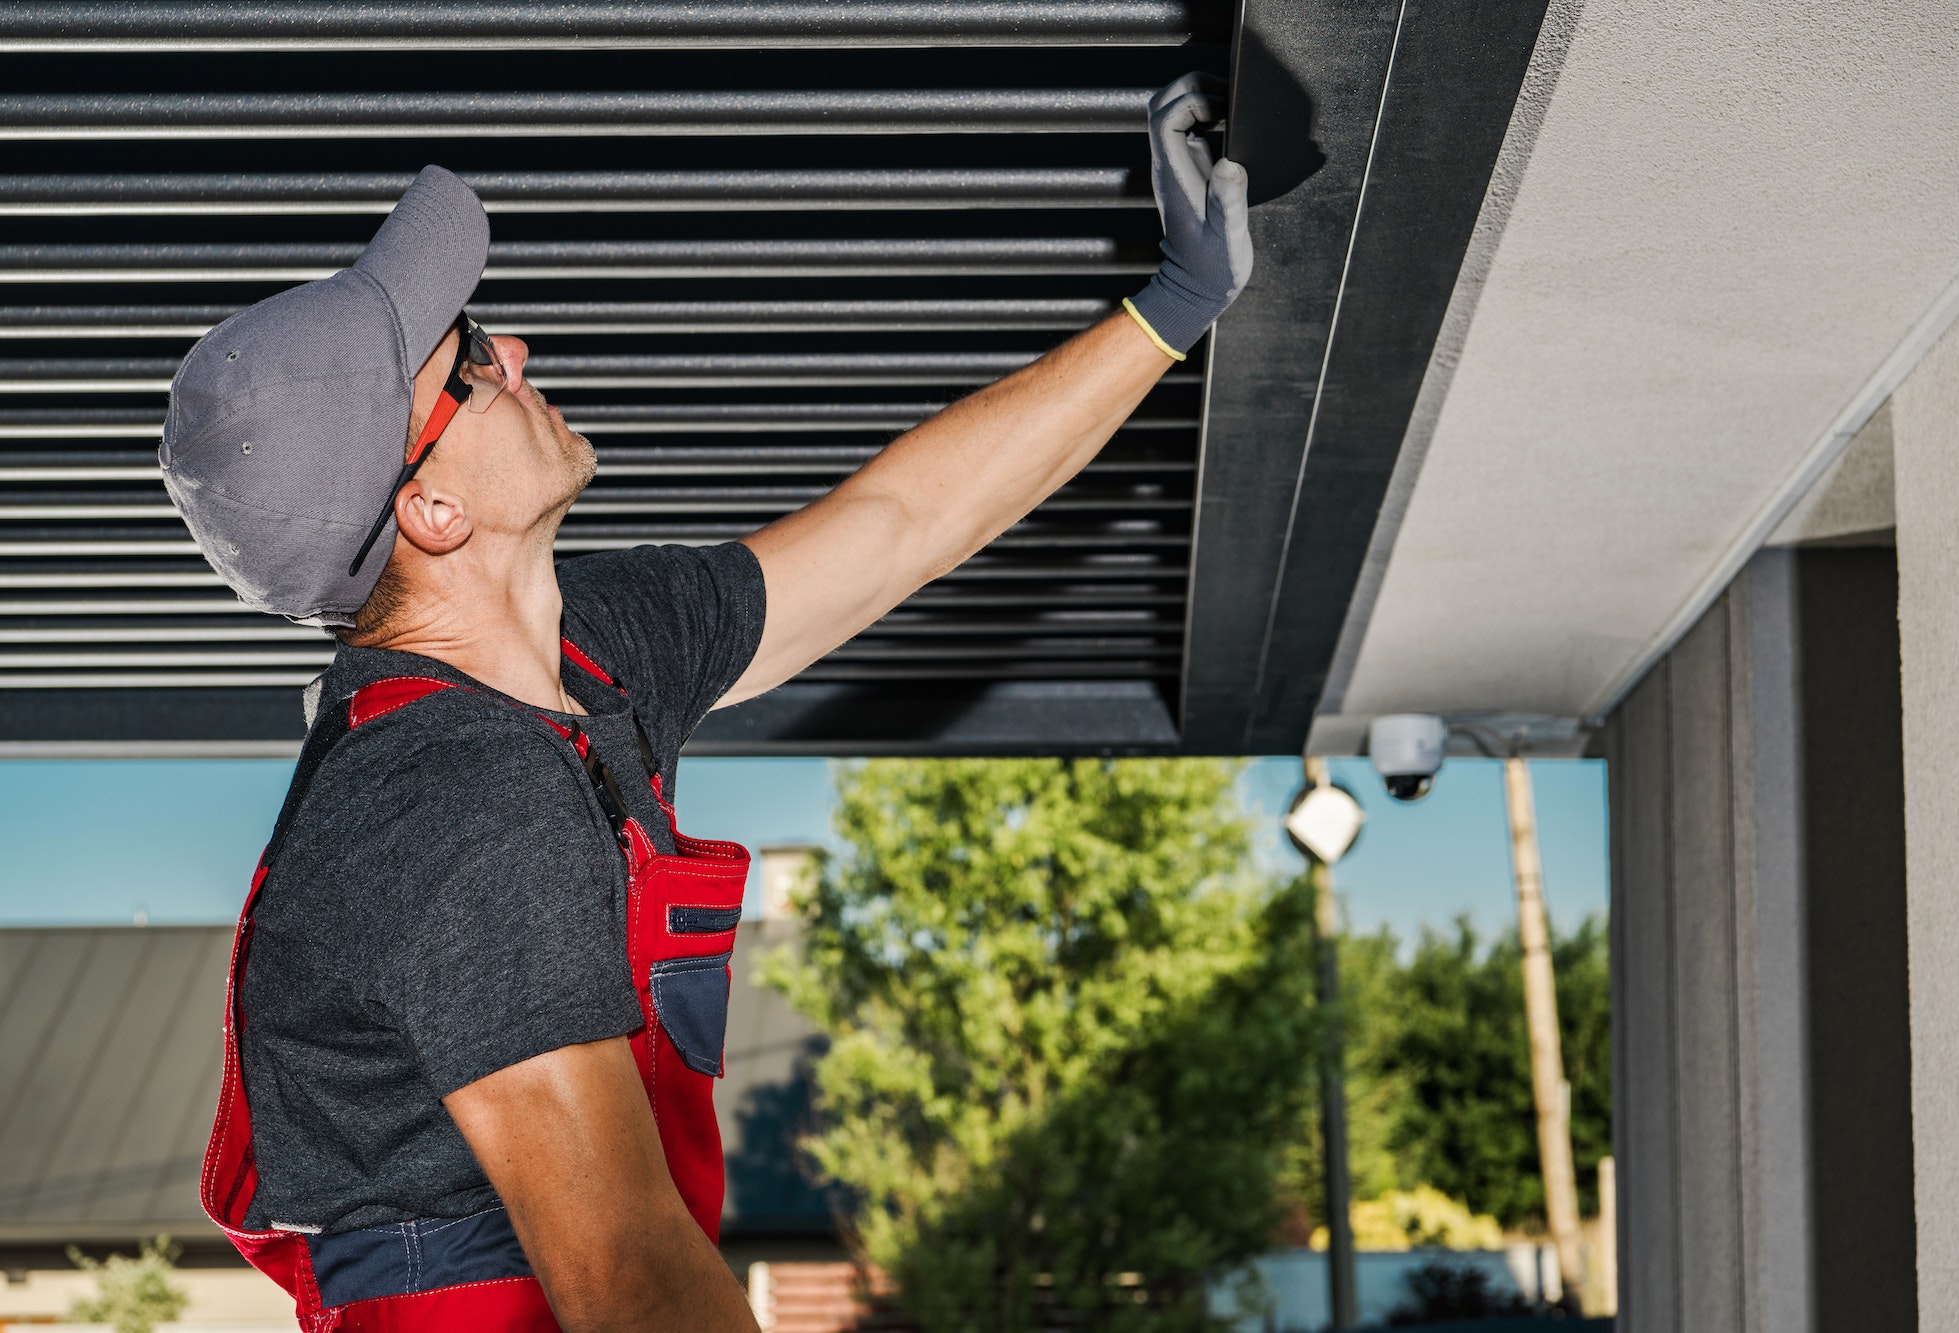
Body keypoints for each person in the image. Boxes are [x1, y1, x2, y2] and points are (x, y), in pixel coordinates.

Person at [167, 75, 1250, 1333]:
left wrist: (1167, 310)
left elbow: (896, 527)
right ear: (432, 513)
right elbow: (627, 1277)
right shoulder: (450, 800)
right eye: (466, 362)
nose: (512, 352)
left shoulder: (591, 654)